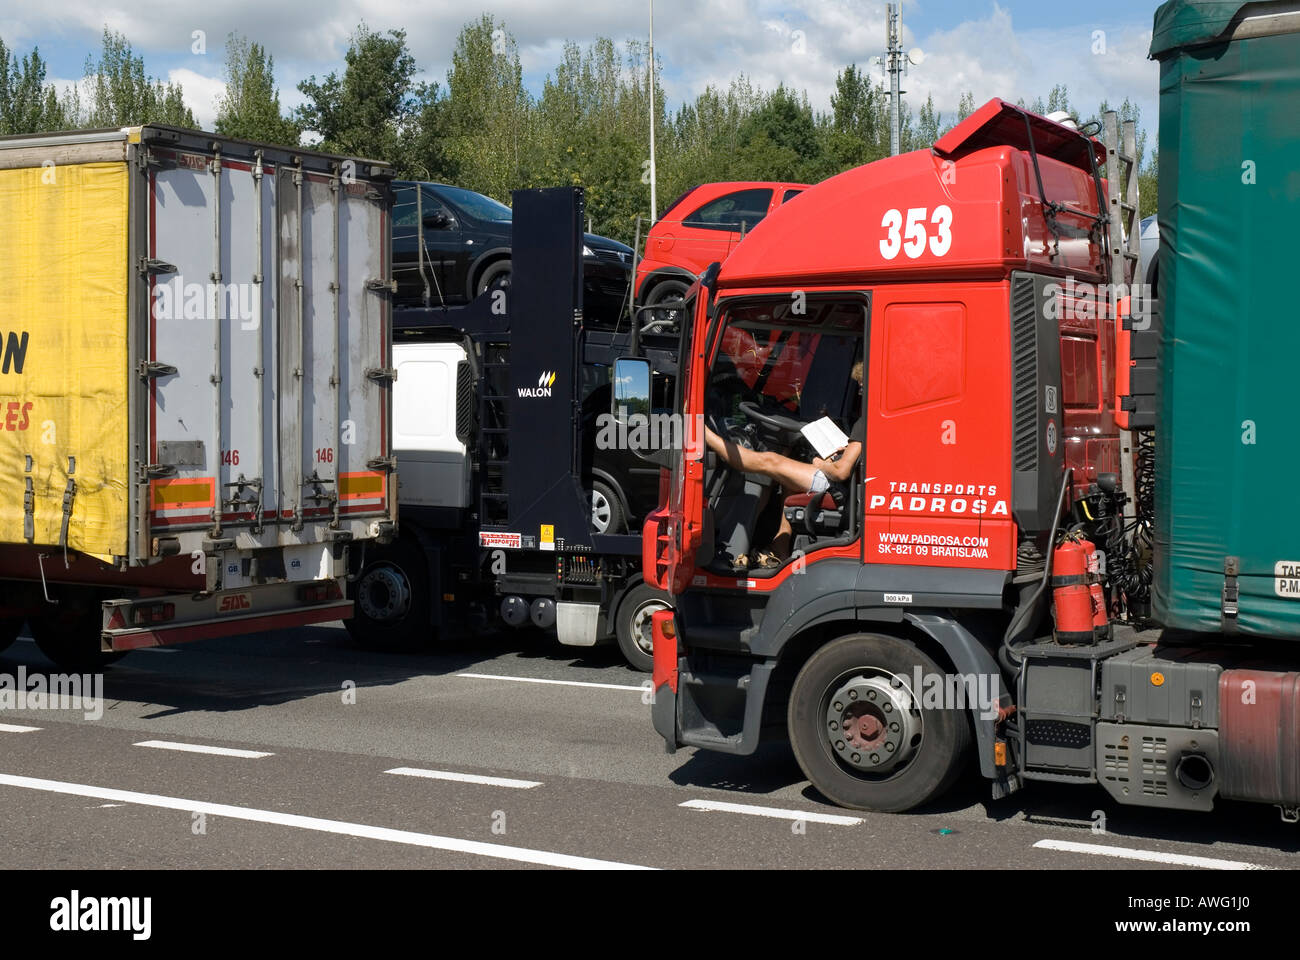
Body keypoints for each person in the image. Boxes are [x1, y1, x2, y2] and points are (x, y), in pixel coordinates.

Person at [704, 361, 864, 565]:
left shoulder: (865, 421)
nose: (860, 391)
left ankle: (706, 434)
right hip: (849, 484)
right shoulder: (870, 419)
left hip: (839, 486)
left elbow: (841, 472)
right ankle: (781, 544)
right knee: (788, 469)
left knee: (769, 461)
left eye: (861, 384)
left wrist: (820, 463)